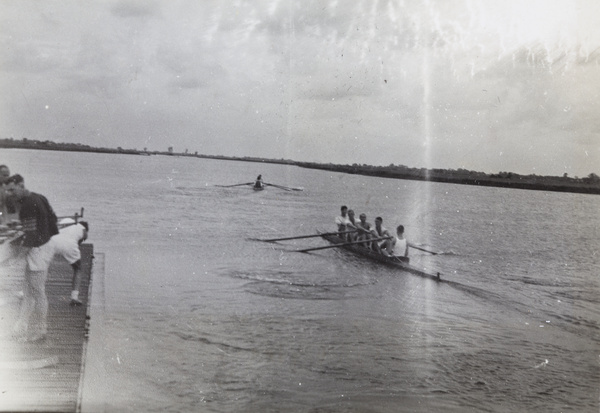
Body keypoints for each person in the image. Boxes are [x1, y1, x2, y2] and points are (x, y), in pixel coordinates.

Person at [4, 174, 59, 342]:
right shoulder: (38, 197)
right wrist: (32, 229)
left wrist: (14, 259)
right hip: (46, 245)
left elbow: (32, 238)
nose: (9, 194)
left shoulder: (27, 205)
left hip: (38, 250)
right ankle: (20, 329)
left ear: (21, 185)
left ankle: (41, 331)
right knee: (28, 290)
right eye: (7, 191)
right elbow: (53, 220)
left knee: (37, 292)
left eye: (12, 190)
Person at [52, 218, 89, 306]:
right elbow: (82, 240)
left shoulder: (66, 220)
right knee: (78, 269)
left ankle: (25, 291)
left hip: (54, 242)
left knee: (42, 267)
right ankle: (74, 297)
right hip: (69, 245)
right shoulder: (83, 229)